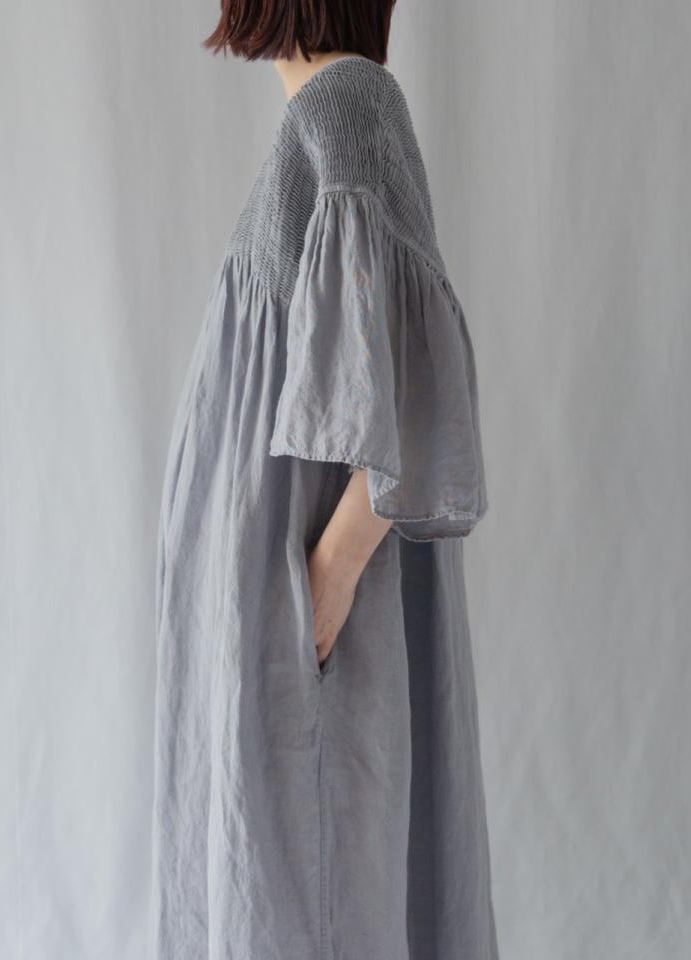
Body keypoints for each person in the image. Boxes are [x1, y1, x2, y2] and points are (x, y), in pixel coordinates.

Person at [150, 3, 500, 959]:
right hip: (279, 615)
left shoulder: (348, 106)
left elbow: (419, 390)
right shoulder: (322, 119)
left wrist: (326, 582)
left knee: (313, 883)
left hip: (308, 626)